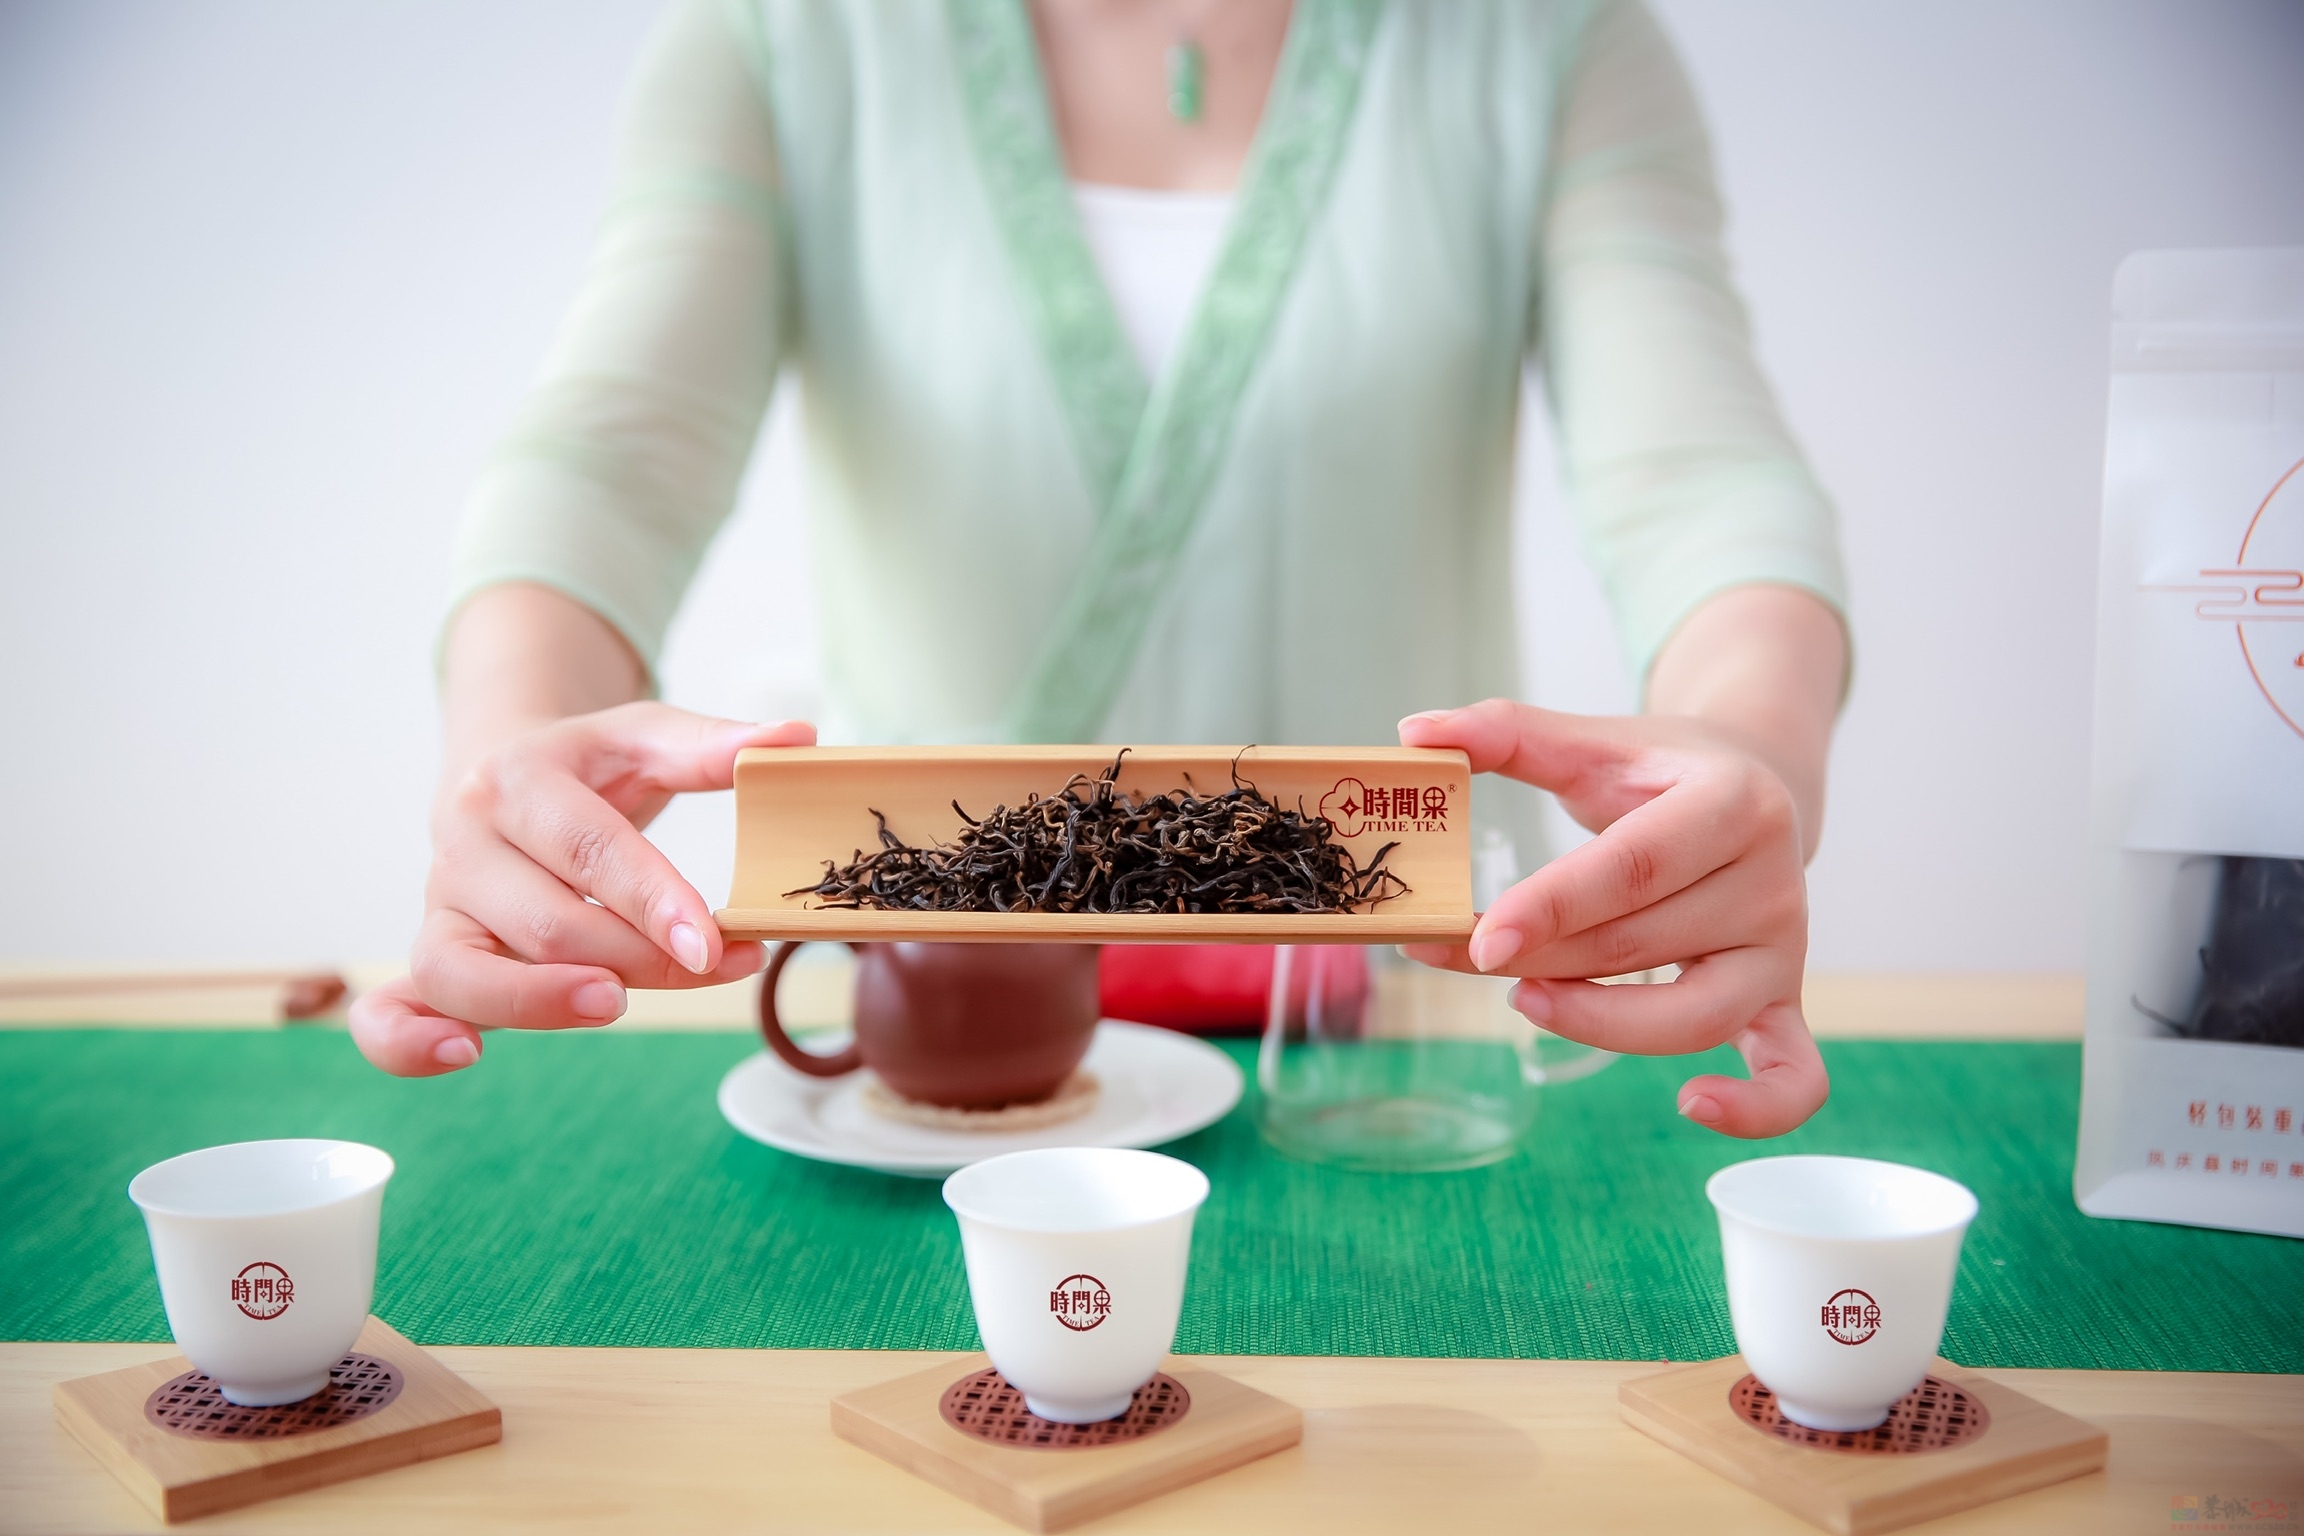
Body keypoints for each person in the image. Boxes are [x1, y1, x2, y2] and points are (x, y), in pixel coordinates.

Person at [351, 0, 1850, 1140]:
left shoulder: (1547, 37)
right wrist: (509, 748)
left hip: (1409, 1048)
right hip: (935, 1036)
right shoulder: (783, 36)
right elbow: (610, 458)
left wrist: (1749, 755)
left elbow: (1704, 484)